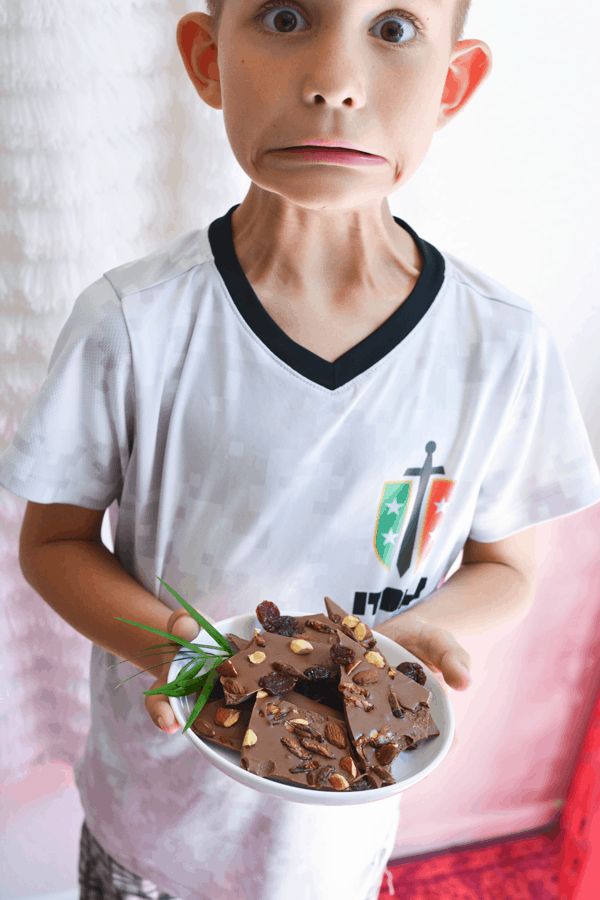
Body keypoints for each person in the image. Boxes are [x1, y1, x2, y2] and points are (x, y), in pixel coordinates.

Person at [1, 1, 599, 898]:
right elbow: (53, 542)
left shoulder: (500, 347)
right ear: (207, 58)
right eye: (285, 17)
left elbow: (506, 563)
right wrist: (191, 661)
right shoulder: (134, 322)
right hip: (153, 825)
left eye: (393, 29)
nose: (335, 81)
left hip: (337, 842)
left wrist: (414, 641)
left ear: (455, 82)